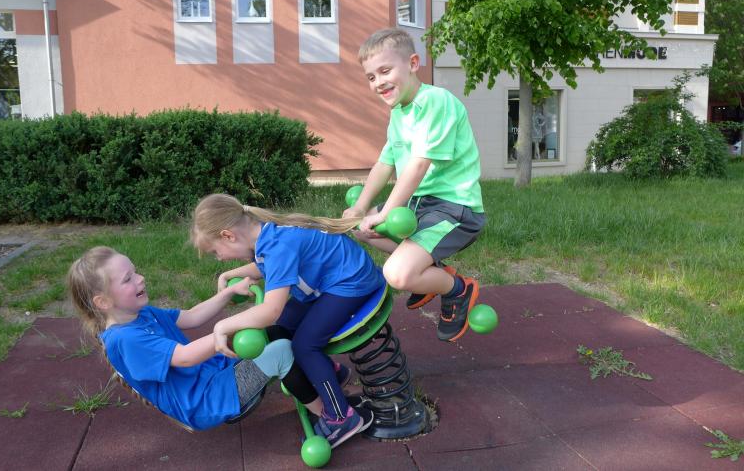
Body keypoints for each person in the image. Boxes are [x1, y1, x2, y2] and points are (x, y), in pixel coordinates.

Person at [191, 193, 379, 449]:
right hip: (331, 280)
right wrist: (229, 274)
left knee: (304, 346)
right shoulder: (265, 236)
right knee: (279, 329)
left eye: (215, 251)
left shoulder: (277, 246)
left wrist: (222, 326)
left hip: (351, 281)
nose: (219, 257)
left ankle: (341, 418)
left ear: (228, 235)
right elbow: (265, 266)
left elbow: (270, 310)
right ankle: (332, 373)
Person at [67, 246, 325, 431]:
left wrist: (228, 293)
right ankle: (330, 418)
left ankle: (323, 377)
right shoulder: (126, 340)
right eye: (128, 279)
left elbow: (191, 316)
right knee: (281, 351)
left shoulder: (140, 314)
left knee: (275, 332)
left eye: (135, 272)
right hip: (207, 401)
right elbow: (185, 357)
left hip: (215, 375)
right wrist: (225, 329)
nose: (140, 278)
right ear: (103, 302)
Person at [344, 27, 486, 343]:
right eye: (371, 77)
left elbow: (419, 164)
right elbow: (385, 163)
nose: (378, 82)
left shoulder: (435, 101)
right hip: (420, 204)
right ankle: (429, 271)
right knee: (360, 228)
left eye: (385, 71)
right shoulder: (399, 113)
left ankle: (457, 289)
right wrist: (360, 207)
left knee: (397, 275)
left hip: (454, 208)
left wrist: (386, 212)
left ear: (412, 63)